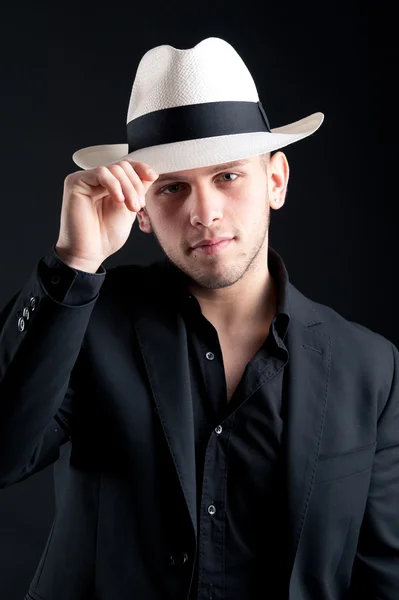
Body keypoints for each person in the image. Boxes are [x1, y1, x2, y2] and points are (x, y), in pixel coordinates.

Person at [0, 36, 398, 600]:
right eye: (173, 187)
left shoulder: (371, 367)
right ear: (140, 208)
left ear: (276, 181)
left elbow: (382, 576)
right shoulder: (84, 321)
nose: (203, 212)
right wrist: (76, 262)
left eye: (228, 176)